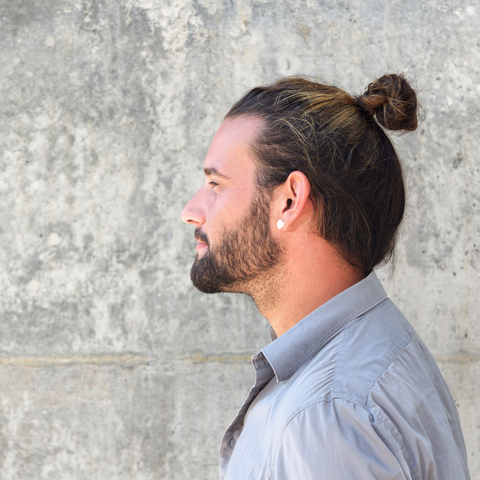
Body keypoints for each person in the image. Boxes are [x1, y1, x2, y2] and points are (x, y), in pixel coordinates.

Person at [181, 74, 470, 480]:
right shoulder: (370, 355)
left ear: (289, 200)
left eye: (215, 184)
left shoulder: (328, 413)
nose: (192, 210)